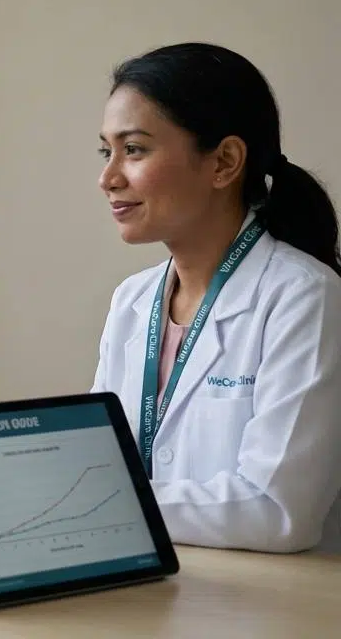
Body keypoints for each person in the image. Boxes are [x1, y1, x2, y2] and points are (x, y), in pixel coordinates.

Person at [90, 41, 341, 554]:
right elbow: (100, 462)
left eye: (133, 150)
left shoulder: (304, 298)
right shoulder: (132, 301)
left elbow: (276, 510)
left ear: (224, 162)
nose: (108, 177)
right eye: (106, 151)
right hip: (148, 587)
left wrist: (100, 505)